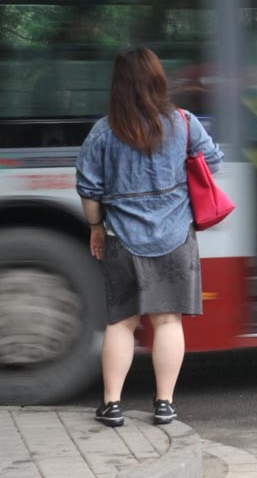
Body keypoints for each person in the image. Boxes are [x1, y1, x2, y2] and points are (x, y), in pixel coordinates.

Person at [75, 46, 223, 427]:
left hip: (123, 238)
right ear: (158, 80)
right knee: (168, 321)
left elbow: (89, 190)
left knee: (122, 322)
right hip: (175, 235)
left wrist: (96, 227)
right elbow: (214, 162)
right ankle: (164, 404)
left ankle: (112, 405)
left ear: (118, 85)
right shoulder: (185, 122)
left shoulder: (103, 131)